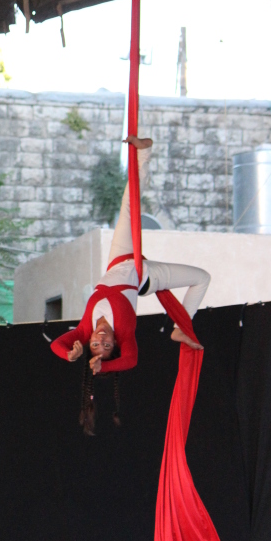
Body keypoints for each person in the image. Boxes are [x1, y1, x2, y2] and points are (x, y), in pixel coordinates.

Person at [50, 137, 210, 376]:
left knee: (128, 206)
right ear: (116, 343)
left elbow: (56, 345)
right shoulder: (125, 332)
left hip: (117, 261)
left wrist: (68, 354)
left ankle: (143, 153)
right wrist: (104, 366)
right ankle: (179, 327)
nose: (101, 338)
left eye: (95, 344)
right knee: (202, 278)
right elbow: (130, 360)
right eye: (107, 345)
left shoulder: (84, 329)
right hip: (144, 276)